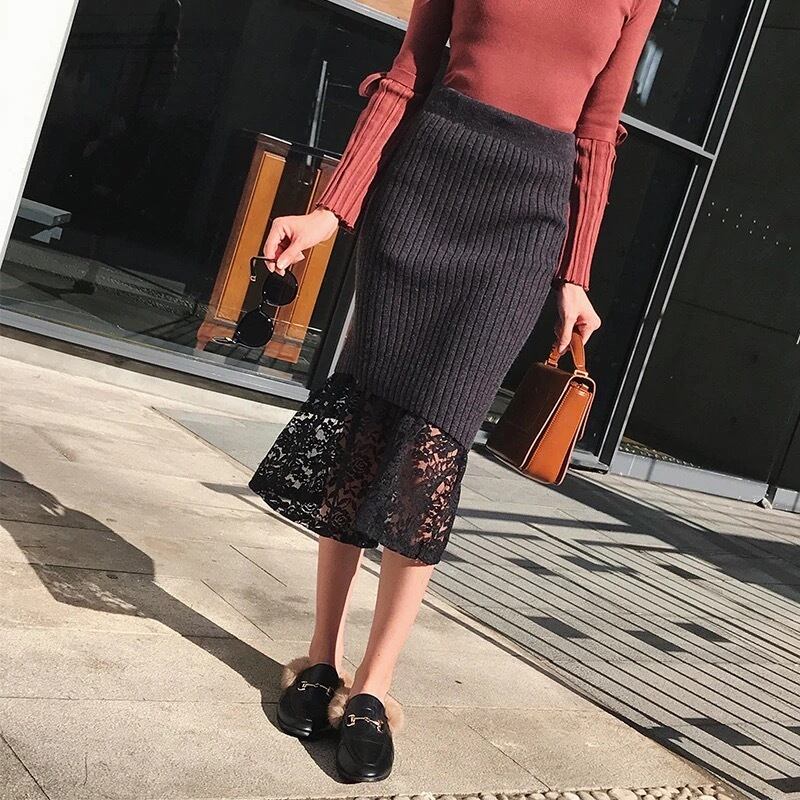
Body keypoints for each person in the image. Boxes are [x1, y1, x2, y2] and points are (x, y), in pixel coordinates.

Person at [248, 0, 660, 783]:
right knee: (367, 428)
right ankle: (323, 659)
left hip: (524, 225)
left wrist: (575, 274)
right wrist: (331, 210)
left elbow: (599, 130)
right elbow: (408, 74)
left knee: (432, 451)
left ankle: (375, 688)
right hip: (423, 186)